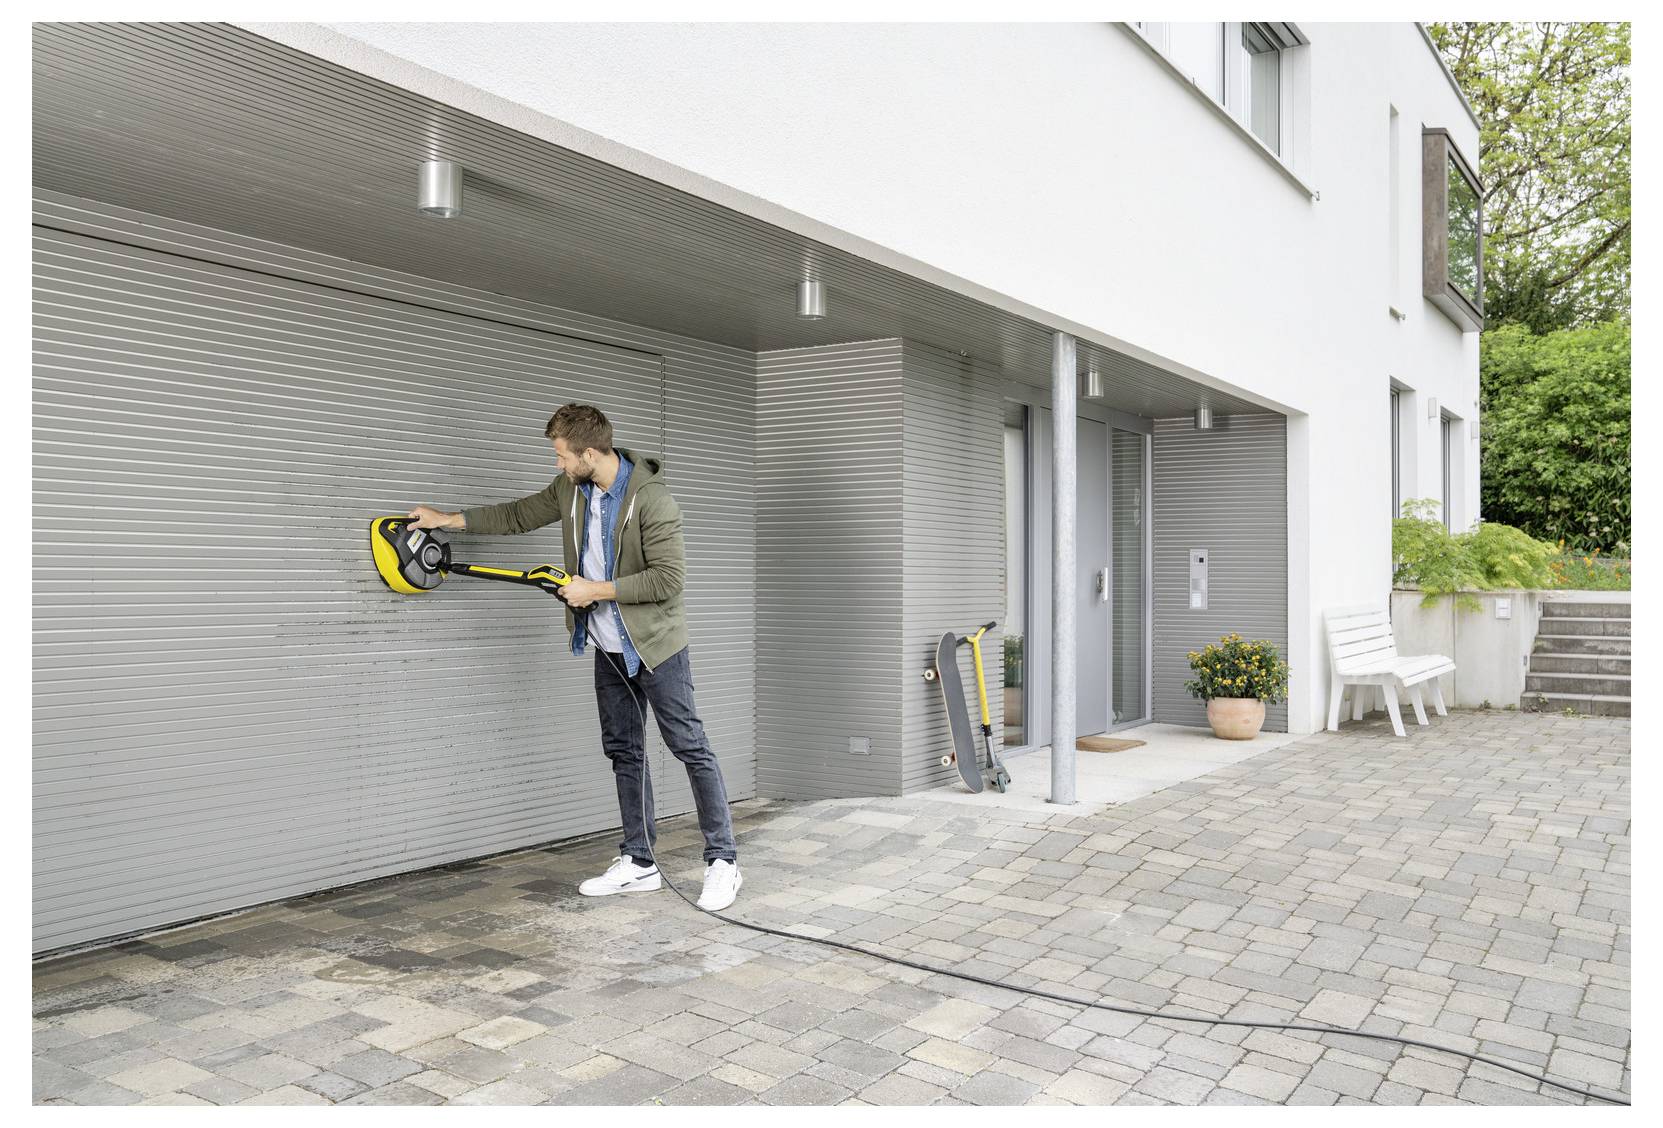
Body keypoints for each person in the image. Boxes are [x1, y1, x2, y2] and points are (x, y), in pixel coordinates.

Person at [407, 403, 741, 911]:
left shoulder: (653, 501)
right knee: (624, 751)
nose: (558, 466)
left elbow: (668, 581)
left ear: (589, 452)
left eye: (562, 456)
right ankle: (640, 862)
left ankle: (722, 862)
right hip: (606, 645)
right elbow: (519, 514)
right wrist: (447, 520)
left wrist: (597, 591)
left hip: (655, 646)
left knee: (689, 746)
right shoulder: (572, 490)